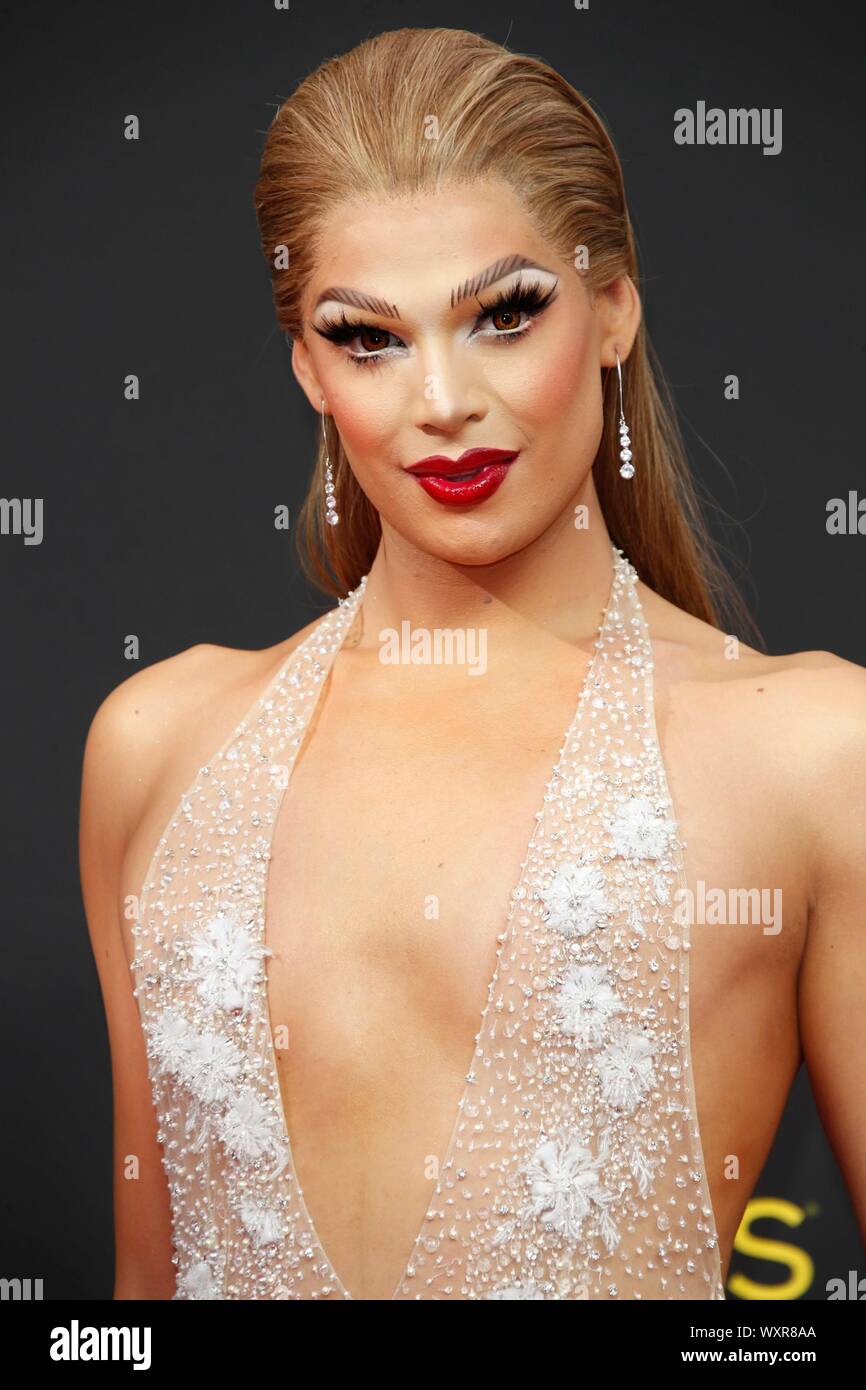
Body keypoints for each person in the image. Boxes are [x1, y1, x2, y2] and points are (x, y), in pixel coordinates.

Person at [80, 27, 866, 1300]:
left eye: (504, 314)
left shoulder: (818, 751)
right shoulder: (155, 746)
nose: (440, 399)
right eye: (368, 337)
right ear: (305, 365)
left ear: (611, 308)